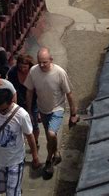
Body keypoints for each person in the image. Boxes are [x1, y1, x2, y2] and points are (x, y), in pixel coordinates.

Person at [25, 47, 78, 180]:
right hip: (43, 109)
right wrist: (29, 110)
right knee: (50, 139)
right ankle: (56, 153)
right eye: (40, 62)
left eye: (45, 62)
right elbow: (29, 91)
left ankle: (49, 161)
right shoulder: (33, 71)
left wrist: (73, 113)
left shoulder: (59, 72)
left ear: (51, 60)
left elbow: (69, 94)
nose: (42, 65)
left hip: (57, 108)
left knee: (51, 133)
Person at [0, 88, 40, 196]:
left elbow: (30, 136)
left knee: (12, 193)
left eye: (3, 110)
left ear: (11, 102)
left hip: (15, 160)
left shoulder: (21, 115)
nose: (0, 112)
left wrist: (35, 156)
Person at [7, 54, 40, 145]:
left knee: (34, 123)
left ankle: (35, 142)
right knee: (19, 123)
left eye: (25, 67)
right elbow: (12, 89)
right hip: (19, 101)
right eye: (20, 67)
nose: (23, 69)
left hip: (34, 101)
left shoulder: (34, 72)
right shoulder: (13, 72)